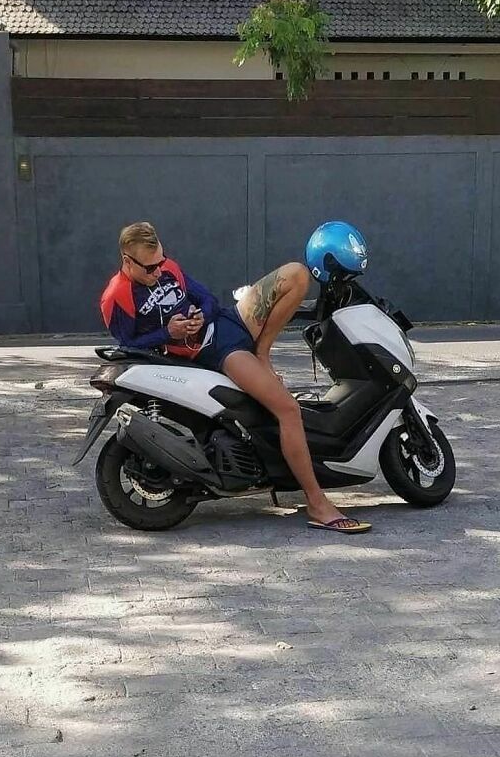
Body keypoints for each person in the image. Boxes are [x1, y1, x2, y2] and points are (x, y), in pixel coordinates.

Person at [100, 221, 371, 534]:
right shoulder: (116, 297)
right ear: (127, 261)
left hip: (231, 320)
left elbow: (208, 299)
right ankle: (317, 503)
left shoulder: (169, 268)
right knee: (288, 410)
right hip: (217, 352)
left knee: (297, 274)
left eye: (161, 261)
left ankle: (262, 352)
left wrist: (201, 314)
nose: (159, 271)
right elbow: (128, 344)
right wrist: (168, 333)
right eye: (150, 268)